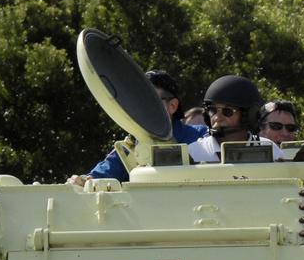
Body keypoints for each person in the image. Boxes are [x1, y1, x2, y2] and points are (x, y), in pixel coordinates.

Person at [79, 69, 207, 183]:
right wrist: (84, 181)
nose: (143, 107)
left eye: (151, 101)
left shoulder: (200, 136)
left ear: (172, 106)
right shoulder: (131, 146)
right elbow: (101, 175)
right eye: (140, 101)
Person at [187, 75, 285, 163]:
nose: (217, 118)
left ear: (249, 116)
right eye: (212, 110)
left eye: (227, 111)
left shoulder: (271, 151)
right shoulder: (193, 153)